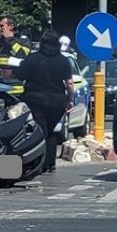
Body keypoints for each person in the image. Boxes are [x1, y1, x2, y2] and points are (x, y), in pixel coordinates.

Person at [14, 30, 74, 174]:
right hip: (56, 102)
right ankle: (50, 164)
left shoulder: (32, 59)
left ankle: (39, 163)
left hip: (35, 101)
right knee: (52, 131)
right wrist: (69, 100)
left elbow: (19, 75)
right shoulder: (63, 60)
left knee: (40, 131)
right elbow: (70, 83)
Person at [0, 16, 30, 82]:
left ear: (11, 26)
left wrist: (9, 40)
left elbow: (22, 55)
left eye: (2, 26)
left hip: (15, 84)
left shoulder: (23, 41)